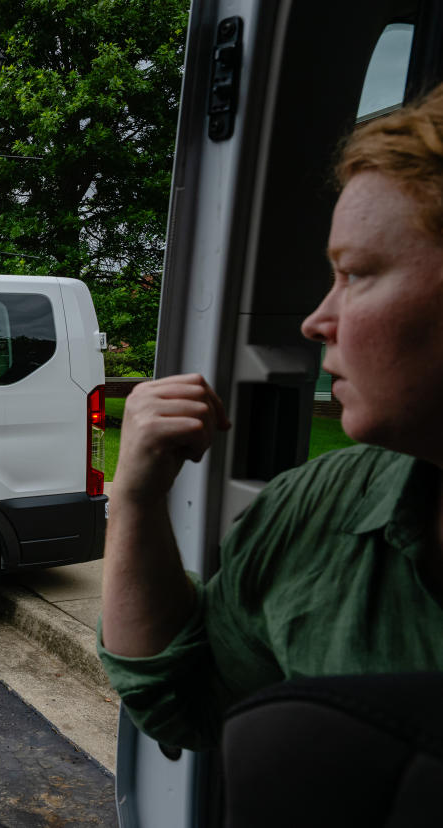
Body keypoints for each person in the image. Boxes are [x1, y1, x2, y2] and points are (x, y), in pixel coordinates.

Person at [98, 84, 443, 751]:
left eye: (359, 274)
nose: (317, 321)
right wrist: (136, 499)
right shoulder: (316, 507)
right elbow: (188, 700)